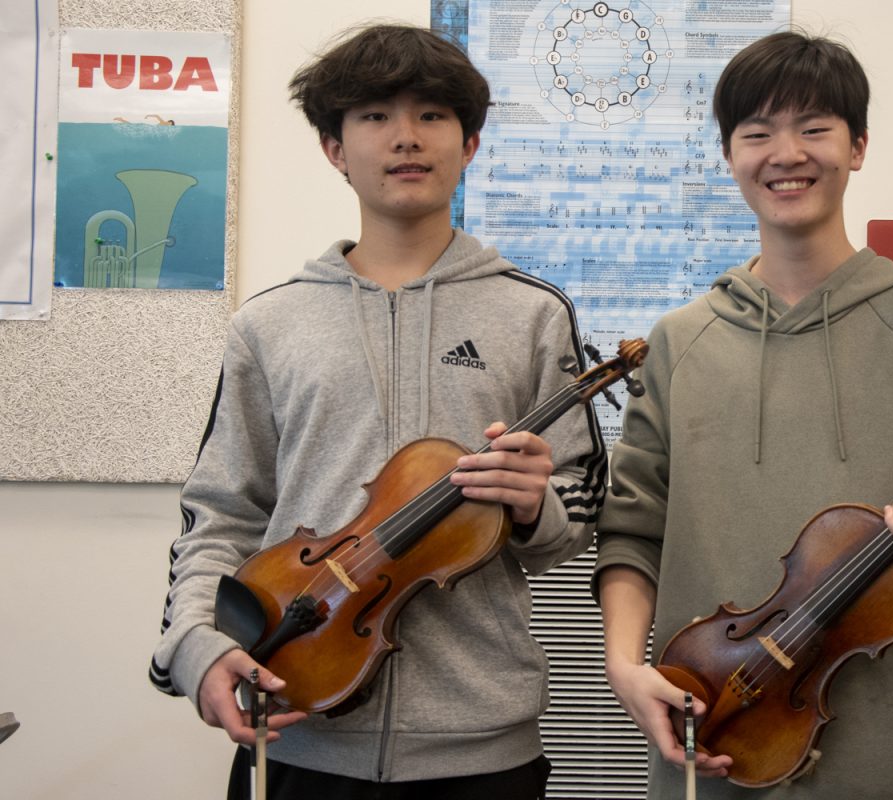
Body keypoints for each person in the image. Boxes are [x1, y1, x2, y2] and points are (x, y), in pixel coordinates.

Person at [149, 23, 606, 799]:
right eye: (374, 116)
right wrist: (195, 646)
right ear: (334, 147)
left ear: (471, 144)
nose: (406, 138)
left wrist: (534, 509)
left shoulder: (534, 313)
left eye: (432, 115)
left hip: (482, 749)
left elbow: (578, 506)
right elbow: (220, 514)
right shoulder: (270, 323)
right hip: (300, 723)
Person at [593, 30, 893, 800]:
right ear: (729, 156)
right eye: (756, 133)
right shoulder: (680, 341)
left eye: (814, 128)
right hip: (723, 734)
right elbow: (634, 527)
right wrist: (625, 668)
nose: (785, 153)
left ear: (857, 147)